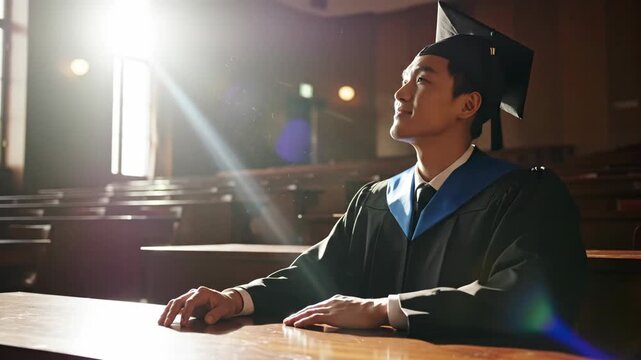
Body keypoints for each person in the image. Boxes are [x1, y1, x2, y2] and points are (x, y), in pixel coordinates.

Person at [158, 2, 586, 343]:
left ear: (468, 105)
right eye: (403, 79)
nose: (399, 94)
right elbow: (317, 273)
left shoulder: (525, 196)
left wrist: (385, 309)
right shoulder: (376, 200)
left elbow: (530, 298)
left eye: (421, 81)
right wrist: (236, 298)